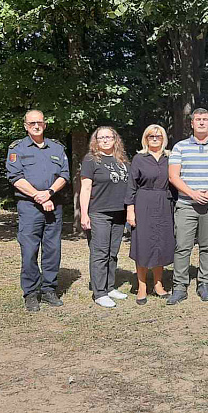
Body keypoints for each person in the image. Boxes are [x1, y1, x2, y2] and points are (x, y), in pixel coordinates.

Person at [166, 108, 208, 305]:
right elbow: (173, 176)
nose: (202, 122)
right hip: (187, 204)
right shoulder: (180, 147)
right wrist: (192, 193)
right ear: (192, 123)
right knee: (182, 246)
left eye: (205, 119)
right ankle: (179, 287)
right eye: (198, 119)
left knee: (207, 246)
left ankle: (204, 283)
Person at [6, 110, 70, 312]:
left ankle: (49, 289)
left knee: (52, 250)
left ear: (45, 124)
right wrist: (38, 196)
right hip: (29, 208)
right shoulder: (17, 148)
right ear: (25, 125)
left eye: (39, 122)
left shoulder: (57, 148)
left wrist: (49, 193)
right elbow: (15, 177)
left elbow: (65, 175)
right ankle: (31, 293)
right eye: (32, 123)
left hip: (54, 205)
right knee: (29, 250)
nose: (36, 126)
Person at [80, 126, 130, 308]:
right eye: (101, 138)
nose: (105, 140)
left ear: (115, 139)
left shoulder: (122, 160)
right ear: (96, 141)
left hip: (119, 213)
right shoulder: (91, 159)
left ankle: (109, 287)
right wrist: (84, 214)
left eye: (109, 137)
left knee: (112, 253)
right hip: (99, 212)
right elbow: (85, 188)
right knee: (100, 253)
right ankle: (99, 292)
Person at [126, 124, 174, 305]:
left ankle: (158, 284)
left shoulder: (170, 158)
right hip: (143, 203)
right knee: (143, 244)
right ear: (145, 139)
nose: (155, 139)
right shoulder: (139, 158)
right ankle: (142, 286)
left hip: (164, 203)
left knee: (161, 243)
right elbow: (131, 185)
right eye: (151, 136)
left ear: (163, 139)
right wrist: (130, 210)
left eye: (158, 136)